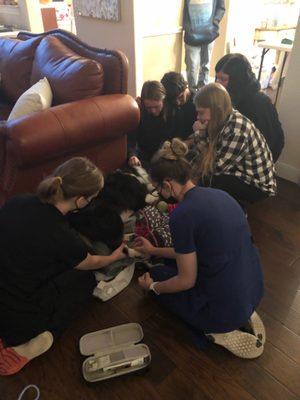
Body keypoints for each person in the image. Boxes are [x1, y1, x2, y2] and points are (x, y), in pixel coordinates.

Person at [135, 138, 265, 359]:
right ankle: (241, 309)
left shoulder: (182, 215)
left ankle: (217, 329)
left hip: (221, 310)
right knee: (170, 263)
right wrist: (154, 250)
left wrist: (154, 287)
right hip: (254, 288)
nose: (157, 192)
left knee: (156, 275)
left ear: (167, 184)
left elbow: (187, 280)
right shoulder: (222, 195)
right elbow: (194, 252)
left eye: (157, 187)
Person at [0, 157, 125, 375]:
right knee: (85, 282)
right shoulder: (64, 239)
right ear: (81, 201)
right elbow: (92, 262)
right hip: (17, 319)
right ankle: (36, 343)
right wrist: (114, 257)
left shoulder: (18, 201)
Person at [191, 82, 276, 204]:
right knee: (201, 173)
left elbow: (215, 168)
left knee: (208, 180)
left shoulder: (237, 129)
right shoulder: (222, 118)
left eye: (201, 112)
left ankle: (234, 210)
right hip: (238, 168)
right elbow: (211, 147)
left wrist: (199, 134)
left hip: (257, 185)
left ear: (217, 110)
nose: (198, 117)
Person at [215, 53, 284, 162]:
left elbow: (272, 143)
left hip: (255, 159)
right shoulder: (230, 96)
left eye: (223, 79)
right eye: (217, 78)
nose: (217, 83)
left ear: (236, 80)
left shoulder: (259, 104)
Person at [127, 80, 171, 170]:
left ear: (164, 100)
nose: (153, 111)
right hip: (143, 156)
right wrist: (132, 156)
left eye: (156, 106)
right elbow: (132, 139)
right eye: (149, 107)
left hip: (165, 156)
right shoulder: (139, 111)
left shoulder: (172, 112)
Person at [183, 0, 225, 92]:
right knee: (192, 67)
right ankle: (193, 94)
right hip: (191, 34)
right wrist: (186, 26)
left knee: (205, 65)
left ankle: (203, 92)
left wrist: (215, 21)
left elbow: (221, 7)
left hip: (209, 33)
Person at [161, 71, 197, 140]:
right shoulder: (168, 102)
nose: (177, 102)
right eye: (173, 99)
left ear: (186, 87)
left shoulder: (197, 102)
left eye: (180, 96)